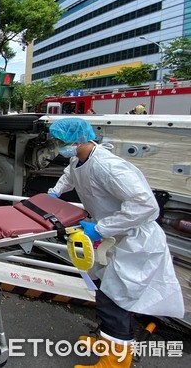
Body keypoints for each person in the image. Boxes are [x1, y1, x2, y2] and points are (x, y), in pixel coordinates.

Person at [47, 118, 184, 368]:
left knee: (115, 300)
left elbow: (146, 205)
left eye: (60, 141)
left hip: (132, 242)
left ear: (77, 140)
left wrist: (101, 228)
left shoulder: (108, 166)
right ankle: (107, 341)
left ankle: (117, 361)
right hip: (110, 239)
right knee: (102, 289)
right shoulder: (79, 159)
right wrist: (54, 193)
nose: (57, 145)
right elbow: (71, 175)